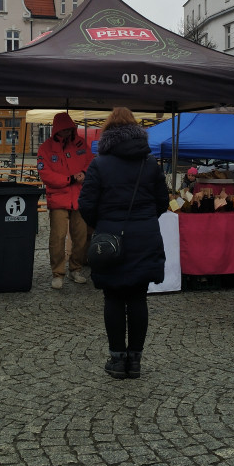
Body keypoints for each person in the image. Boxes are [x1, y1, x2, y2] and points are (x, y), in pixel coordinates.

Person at [78, 108, 168, 380]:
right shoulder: (150, 163)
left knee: (114, 297)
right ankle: (136, 361)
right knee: (138, 298)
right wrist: (143, 220)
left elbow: (86, 205)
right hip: (144, 236)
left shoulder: (99, 164)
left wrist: (103, 223)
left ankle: (118, 361)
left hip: (110, 239)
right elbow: (162, 202)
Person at [37, 112, 94, 289]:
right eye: (65, 130)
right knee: (58, 237)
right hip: (59, 199)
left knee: (81, 236)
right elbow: (45, 173)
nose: (68, 133)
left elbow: (91, 161)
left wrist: (84, 173)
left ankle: (75, 269)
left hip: (79, 198)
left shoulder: (80, 144)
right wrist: (68, 180)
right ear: (57, 130)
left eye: (70, 130)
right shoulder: (45, 148)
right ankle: (58, 273)